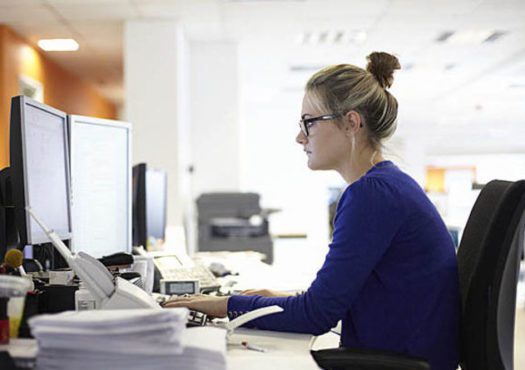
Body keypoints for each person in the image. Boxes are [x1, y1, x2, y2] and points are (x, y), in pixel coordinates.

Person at [164, 52, 460, 370]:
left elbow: (316, 315)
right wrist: (274, 299)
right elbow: (335, 298)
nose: (300, 137)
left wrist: (224, 305)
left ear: (351, 123)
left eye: (309, 123)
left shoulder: (372, 195)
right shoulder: (388, 184)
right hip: (407, 354)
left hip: (400, 362)